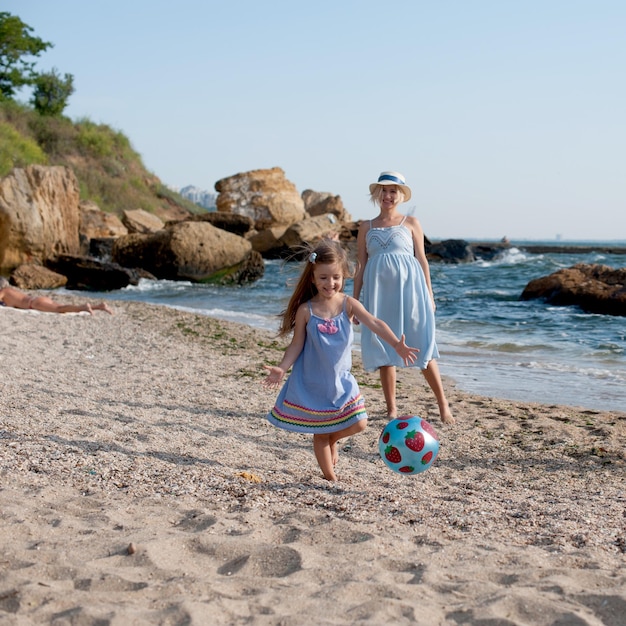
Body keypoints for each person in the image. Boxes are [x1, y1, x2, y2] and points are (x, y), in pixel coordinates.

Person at [262, 239, 420, 481]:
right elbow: (297, 345)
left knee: (360, 422)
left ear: (343, 275)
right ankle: (330, 477)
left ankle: (334, 439)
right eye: (323, 277)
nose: (330, 283)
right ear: (313, 277)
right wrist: (282, 368)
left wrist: (397, 344)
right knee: (320, 433)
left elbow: (375, 323)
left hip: (341, 380)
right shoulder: (307, 310)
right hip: (313, 382)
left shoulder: (348, 304)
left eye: (335, 277)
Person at [353, 171, 455, 425]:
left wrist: (430, 296)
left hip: (412, 294)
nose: (388, 196)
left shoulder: (411, 223)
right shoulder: (366, 227)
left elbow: (422, 260)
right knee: (386, 346)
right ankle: (391, 409)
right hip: (379, 295)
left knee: (423, 346)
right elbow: (360, 266)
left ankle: (443, 404)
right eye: (384, 191)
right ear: (377, 194)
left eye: (393, 191)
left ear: (400, 195)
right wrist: (354, 302)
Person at [0, 278, 113, 315]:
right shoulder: (10, 289)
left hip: (34, 304)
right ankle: (99, 306)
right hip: (38, 299)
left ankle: (84, 307)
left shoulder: (3, 292)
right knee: (63, 306)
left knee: (60, 309)